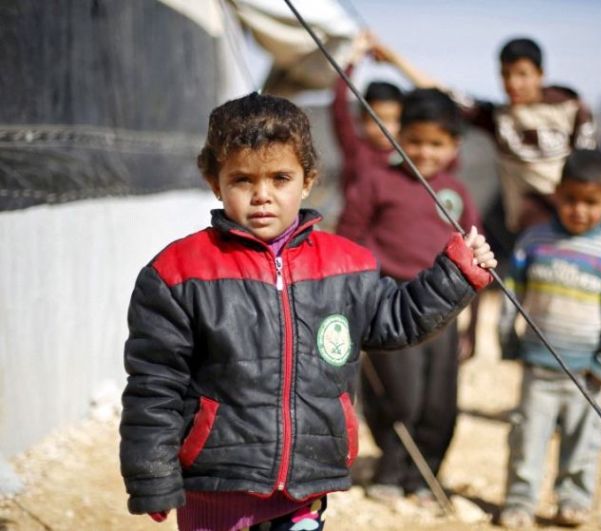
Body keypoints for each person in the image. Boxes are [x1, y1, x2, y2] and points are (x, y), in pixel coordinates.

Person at [118, 92, 496, 531]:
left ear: (309, 179)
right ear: (213, 179)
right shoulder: (177, 273)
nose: (262, 196)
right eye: (243, 179)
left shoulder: (346, 266)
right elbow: (154, 385)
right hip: (216, 489)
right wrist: (152, 475)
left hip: (305, 486)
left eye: (280, 178)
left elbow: (399, 317)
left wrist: (456, 274)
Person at [336, 88, 484, 504]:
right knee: (398, 395)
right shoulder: (377, 182)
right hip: (391, 306)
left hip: (445, 312)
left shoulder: (457, 194)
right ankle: (391, 467)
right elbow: (348, 242)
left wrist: (472, 326)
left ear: (454, 145)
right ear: (398, 135)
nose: (425, 151)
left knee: (439, 403)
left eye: (437, 143)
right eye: (415, 140)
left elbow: (476, 259)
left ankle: (425, 476)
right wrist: (354, 304)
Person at [498, 150, 601, 528]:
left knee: (584, 443)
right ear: (557, 193)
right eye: (571, 199)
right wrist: (507, 338)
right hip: (538, 367)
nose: (579, 210)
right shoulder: (533, 241)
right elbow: (512, 294)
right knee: (527, 439)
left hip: (587, 373)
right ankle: (519, 501)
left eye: (591, 203)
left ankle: (573, 499)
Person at [461, 37, 596, 237]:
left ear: (540, 74)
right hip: (529, 227)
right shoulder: (500, 119)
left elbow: (589, 169)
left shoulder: (570, 109)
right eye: (506, 74)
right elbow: (447, 96)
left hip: (574, 223)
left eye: (522, 74)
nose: (513, 83)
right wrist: (398, 62)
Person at [331, 32, 437, 195]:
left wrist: (393, 61)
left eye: (394, 120)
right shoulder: (356, 148)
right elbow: (339, 104)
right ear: (361, 120)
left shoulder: (412, 154)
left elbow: (435, 99)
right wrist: (354, 58)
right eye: (376, 119)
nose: (385, 128)